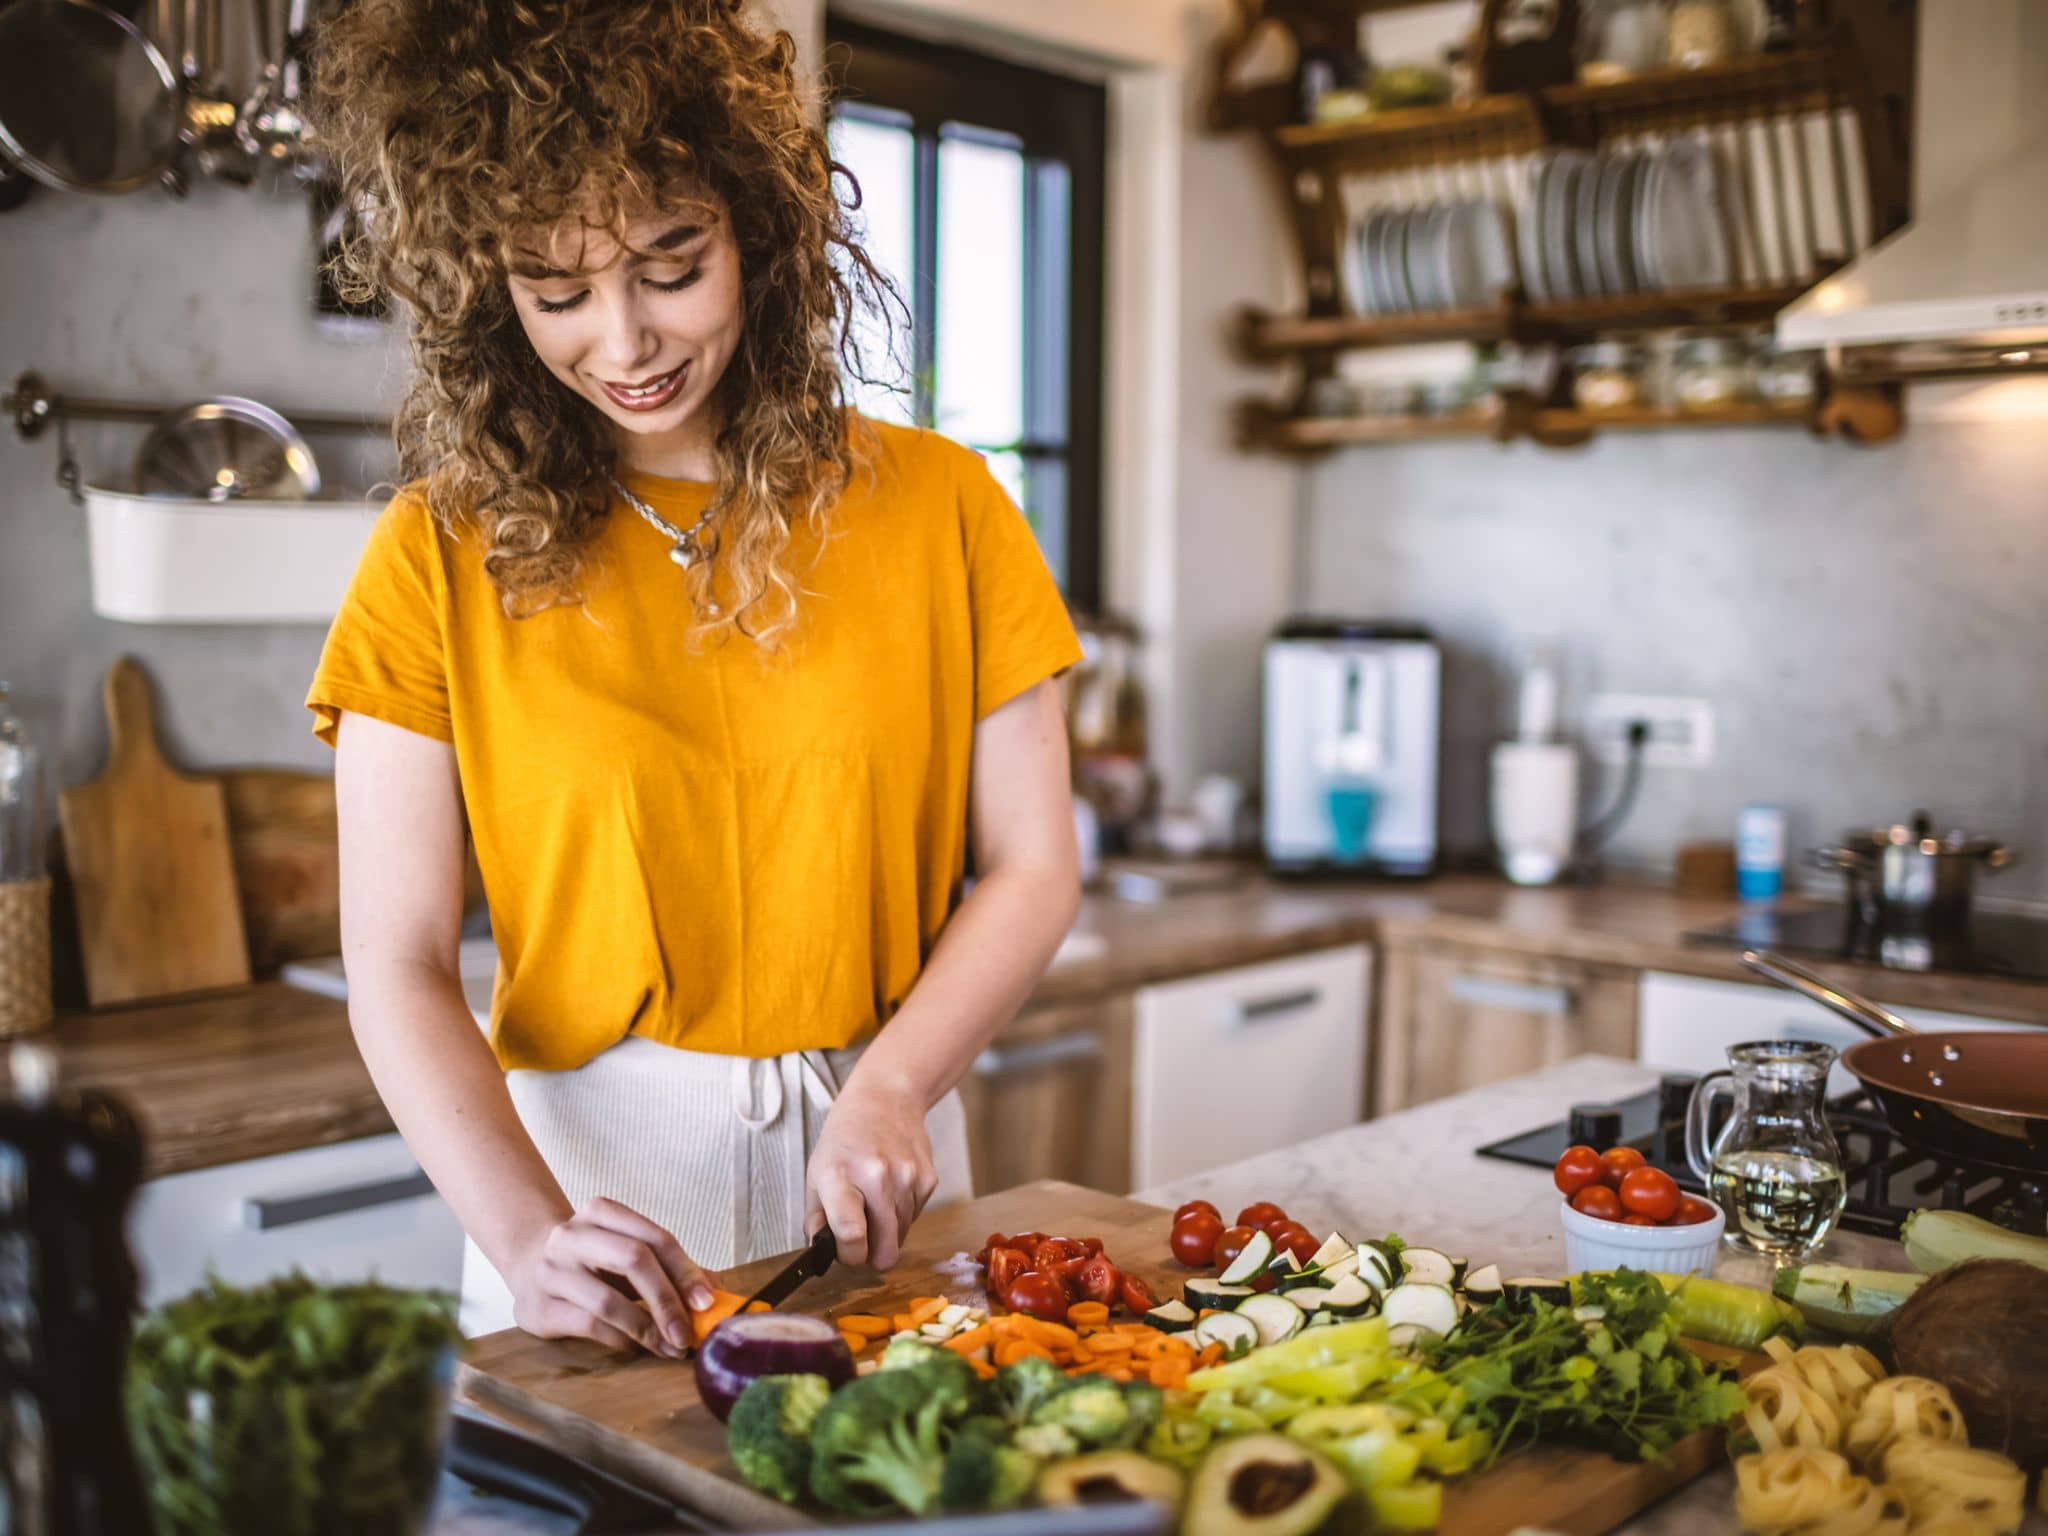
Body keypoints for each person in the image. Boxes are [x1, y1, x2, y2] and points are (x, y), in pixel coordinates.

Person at [304, 0, 1083, 1357]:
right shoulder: (434, 554)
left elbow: (1033, 862)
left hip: (881, 1169)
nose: (624, 341)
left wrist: (897, 1086)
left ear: (760, 235)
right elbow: (399, 962)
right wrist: (528, 1239)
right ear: (493, 295)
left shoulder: (946, 508)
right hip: (583, 1210)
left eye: (673, 265)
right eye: (556, 293)